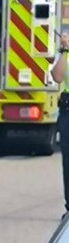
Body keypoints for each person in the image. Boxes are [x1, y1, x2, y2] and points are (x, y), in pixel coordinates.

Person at [46, 31, 69, 215]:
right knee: (68, 162)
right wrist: (64, 50)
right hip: (68, 111)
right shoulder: (66, 52)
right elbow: (58, 77)